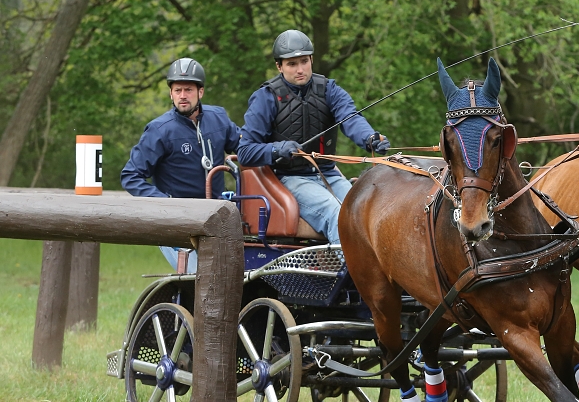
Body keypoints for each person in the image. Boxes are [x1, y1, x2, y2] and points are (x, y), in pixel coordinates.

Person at [237, 29, 390, 245]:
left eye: (304, 61)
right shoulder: (265, 98)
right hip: (289, 179)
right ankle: (351, 278)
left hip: (329, 174)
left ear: (311, 60)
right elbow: (245, 152)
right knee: (337, 214)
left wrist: (369, 138)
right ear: (279, 66)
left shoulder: (329, 90)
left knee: (366, 211)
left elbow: (350, 118)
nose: (300, 69)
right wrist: (277, 149)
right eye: (292, 64)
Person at [121, 57, 241, 273]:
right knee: (202, 280)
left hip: (217, 218)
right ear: (171, 93)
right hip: (178, 223)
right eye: (178, 90)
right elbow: (131, 175)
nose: (183, 96)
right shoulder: (160, 130)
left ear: (200, 92)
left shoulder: (219, 118)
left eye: (188, 89)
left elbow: (245, 147)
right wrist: (165, 202)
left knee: (235, 276)